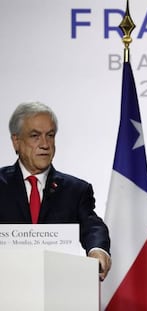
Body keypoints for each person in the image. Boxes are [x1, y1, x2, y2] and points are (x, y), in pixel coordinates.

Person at [0, 101, 111, 280]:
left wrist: (97, 249)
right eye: (35, 136)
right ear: (16, 141)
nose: (45, 144)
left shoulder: (76, 190)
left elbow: (92, 226)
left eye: (50, 135)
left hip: (57, 287)